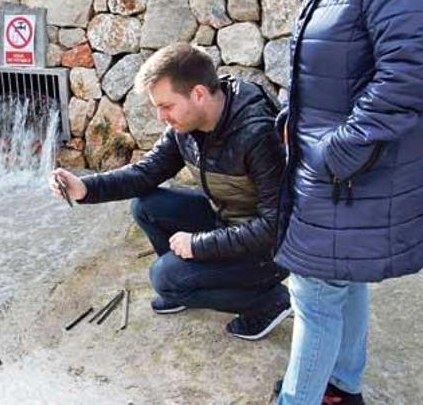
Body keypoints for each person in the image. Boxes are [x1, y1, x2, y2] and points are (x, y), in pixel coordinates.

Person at [273, 0, 423, 403]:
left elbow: (405, 78)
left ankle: (300, 399)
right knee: (341, 279)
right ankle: (341, 386)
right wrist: (292, 120)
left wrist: (335, 152)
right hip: (338, 171)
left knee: (313, 294)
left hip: (347, 171)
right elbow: (332, 64)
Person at [50, 42, 291, 340]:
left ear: (198, 94)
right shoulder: (188, 124)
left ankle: (268, 302)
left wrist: (198, 244)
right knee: (146, 205)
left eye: (166, 106)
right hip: (227, 219)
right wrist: (85, 188)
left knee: (164, 278)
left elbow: (276, 226)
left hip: (268, 250)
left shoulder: (257, 132)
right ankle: (187, 283)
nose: (161, 116)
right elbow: (146, 173)